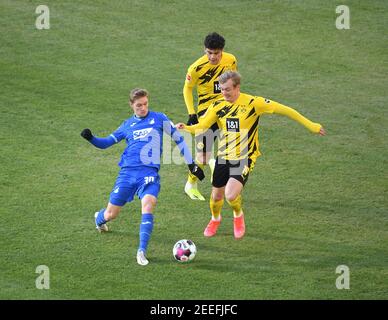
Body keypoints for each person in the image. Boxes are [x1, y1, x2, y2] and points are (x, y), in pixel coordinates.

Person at [176, 71, 326, 239]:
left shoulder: (254, 103)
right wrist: (186, 128)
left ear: (237, 87)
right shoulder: (217, 105)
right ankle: (215, 219)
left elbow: (286, 110)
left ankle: (238, 216)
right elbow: (203, 125)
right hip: (224, 156)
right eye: (222, 89)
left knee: (231, 195)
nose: (224, 93)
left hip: (245, 157)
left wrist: (311, 125)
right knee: (216, 196)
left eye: (227, 89)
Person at [81, 88, 205, 266]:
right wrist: (91, 138)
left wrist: (191, 163)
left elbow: (178, 138)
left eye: (145, 104)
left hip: (149, 173)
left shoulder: (159, 118)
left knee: (148, 205)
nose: (143, 108)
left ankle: (141, 251)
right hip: (127, 173)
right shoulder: (127, 125)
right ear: (131, 105)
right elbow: (105, 143)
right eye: (139, 105)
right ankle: (99, 219)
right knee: (111, 213)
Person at [183, 32, 238, 201]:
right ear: (204, 50)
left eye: (216, 53)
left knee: (233, 146)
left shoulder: (231, 60)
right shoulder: (196, 68)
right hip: (207, 112)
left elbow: (233, 83)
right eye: (209, 52)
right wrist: (192, 112)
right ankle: (190, 184)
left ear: (222, 51)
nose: (213, 57)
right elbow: (187, 89)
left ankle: (226, 178)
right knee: (203, 157)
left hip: (226, 109)